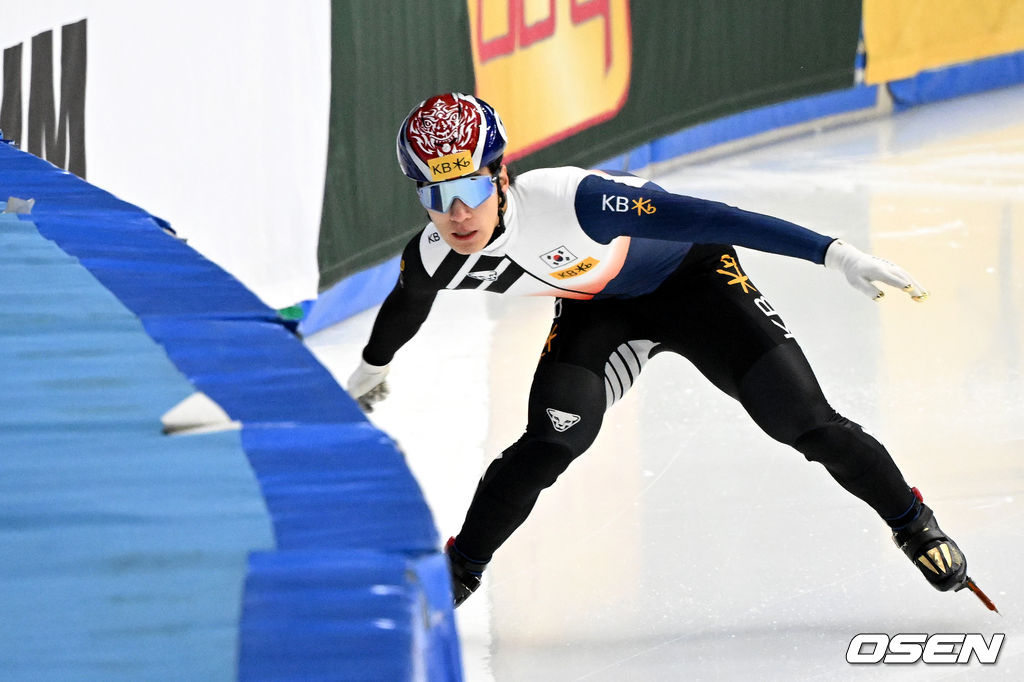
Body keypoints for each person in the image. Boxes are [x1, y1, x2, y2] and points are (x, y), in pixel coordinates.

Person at [346, 92, 975, 609]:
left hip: (694, 285)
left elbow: (713, 217)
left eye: (470, 190)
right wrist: (373, 365)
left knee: (803, 421)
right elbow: (408, 301)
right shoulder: (433, 250)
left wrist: (834, 253)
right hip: (600, 310)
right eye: (434, 194)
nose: (456, 213)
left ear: (500, 175)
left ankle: (913, 522)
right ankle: (460, 569)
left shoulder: (576, 203)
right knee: (551, 439)